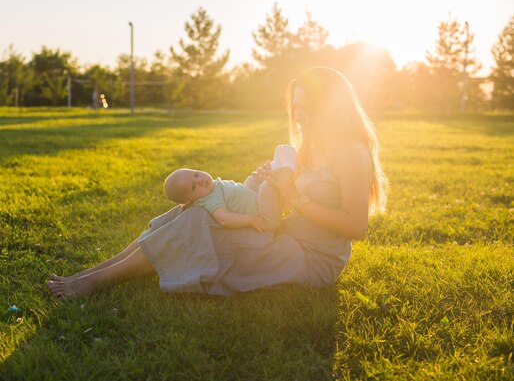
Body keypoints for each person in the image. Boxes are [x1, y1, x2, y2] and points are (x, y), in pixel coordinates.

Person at [48, 66, 387, 298]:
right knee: (191, 210)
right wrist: (269, 179)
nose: (298, 116)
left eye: (306, 107)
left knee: (199, 220)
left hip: (311, 258)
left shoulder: (352, 154)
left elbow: (356, 226)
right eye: (296, 107)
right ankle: (95, 272)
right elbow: (279, 197)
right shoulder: (311, 146)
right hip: (281, 235)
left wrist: (295, 198)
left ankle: (93, 282)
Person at [163, 145, 296, 233]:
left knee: (252, 179)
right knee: (267, 186)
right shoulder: (210, 200)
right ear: (191, 201)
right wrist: (251, 220)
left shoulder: (210, 188)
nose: (199, 180)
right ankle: (285, 171)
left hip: (254, 198)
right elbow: (225, 219)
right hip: (265, 217)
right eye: (193, 187)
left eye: (196, 174)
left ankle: (274, 168)